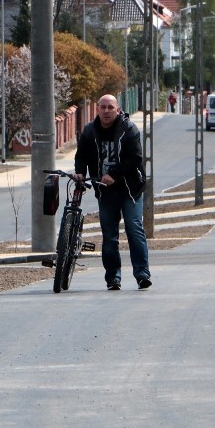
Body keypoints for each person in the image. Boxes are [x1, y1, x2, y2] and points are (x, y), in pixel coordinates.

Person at [74, 94, 151, 291]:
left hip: (130, 188)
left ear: (117, 110)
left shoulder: (129, 129)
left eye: (110, 107)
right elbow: (81, 155)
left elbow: (135, 158)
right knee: (109, 236)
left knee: (134, 228)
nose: (106, 111)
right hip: (105, 190)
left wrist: (113, 174)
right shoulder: (90, 131)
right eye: (103, 107)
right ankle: (113, 278)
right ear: (97, 110)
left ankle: (142, 274)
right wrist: (80, 172)